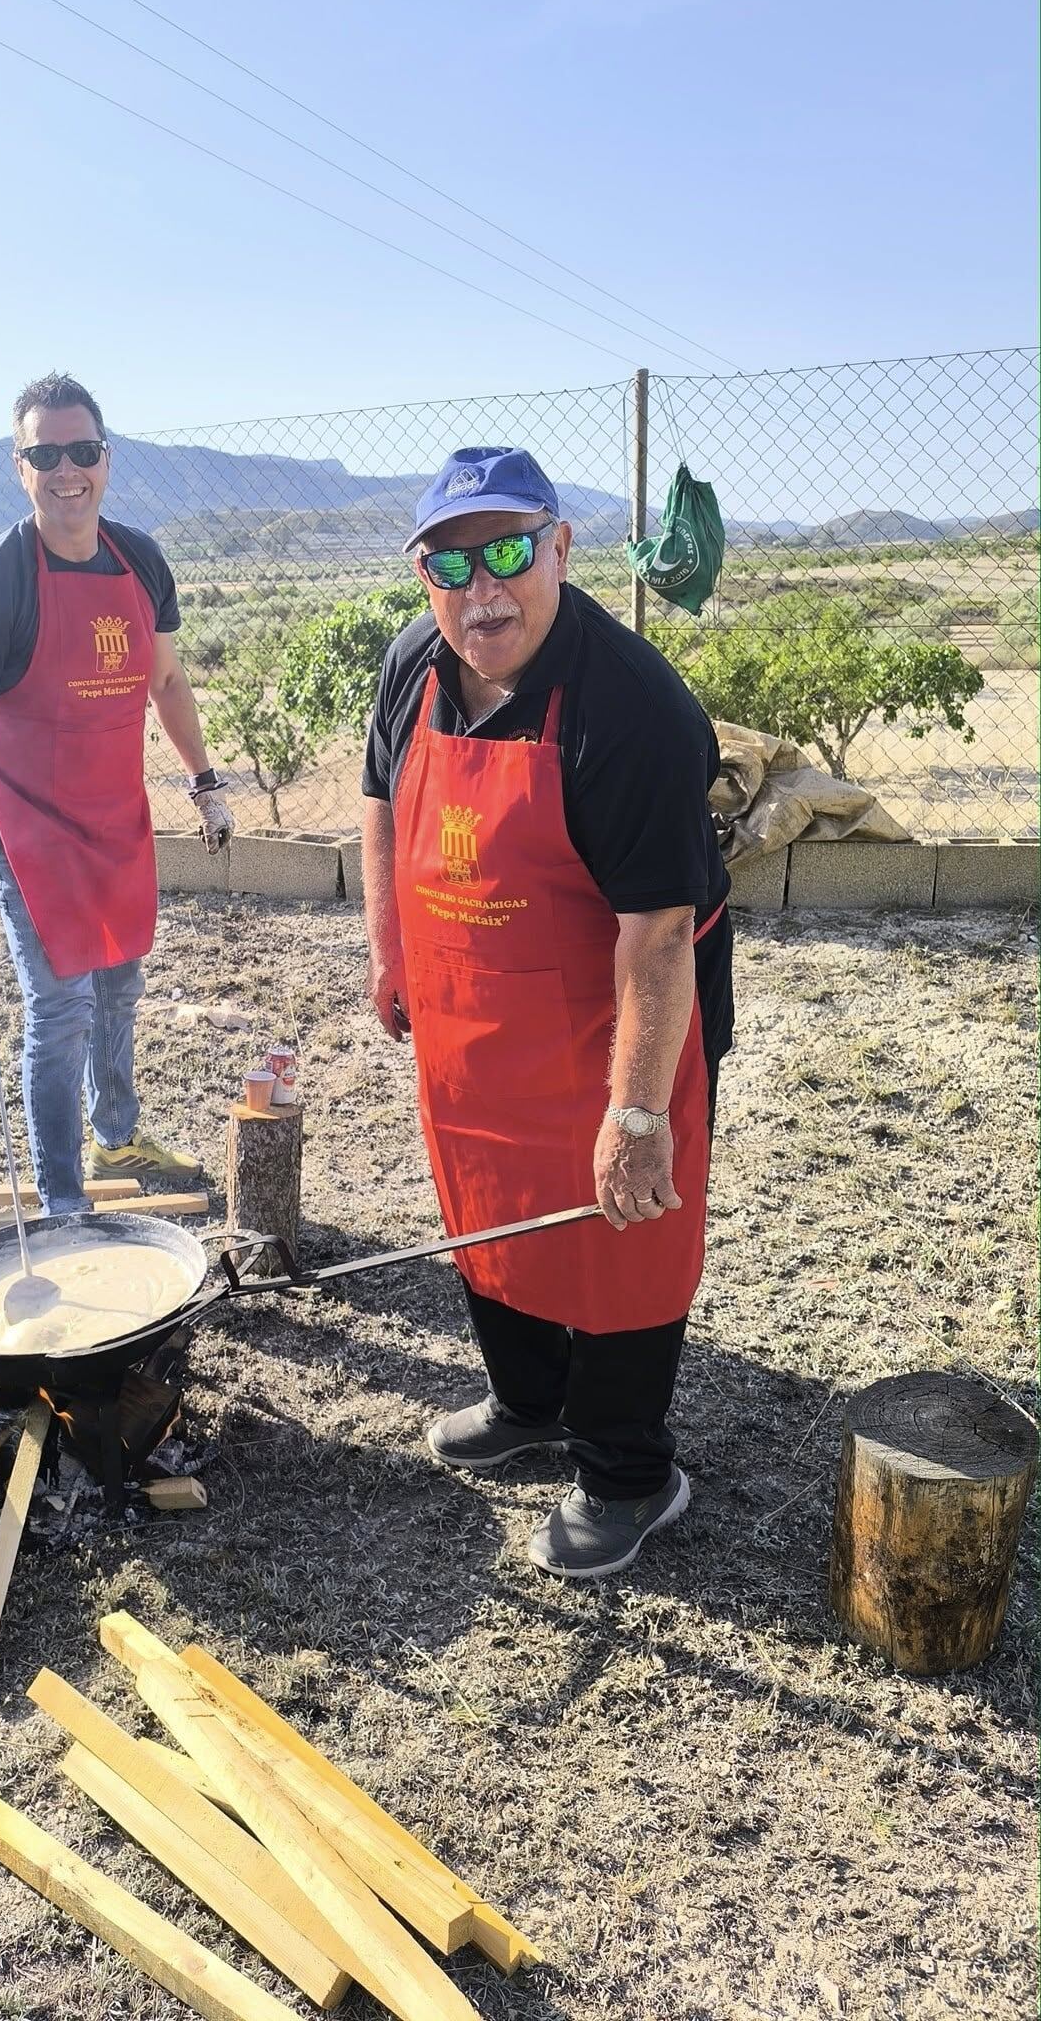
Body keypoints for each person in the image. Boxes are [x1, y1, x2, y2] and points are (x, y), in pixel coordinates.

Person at [362, 446, 734, 1580]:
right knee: (485, 1198)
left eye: (511, 551)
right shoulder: (415, 663)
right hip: (471, 1010)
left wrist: (633, 1110)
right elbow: (380, 798)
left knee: (621, 1226)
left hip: (618, 1011)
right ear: (425, 575)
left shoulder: (631, 708)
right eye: (452, 562)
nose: (484, 588)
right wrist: (390, 954)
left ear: (561, 548)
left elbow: (657, 932)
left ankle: (629, 1471)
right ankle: (528, 1398)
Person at [0, 371, 234, 1214]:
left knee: (120, 986)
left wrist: (203, 783)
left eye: (84, 451)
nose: (70, 470)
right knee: (58, 1011)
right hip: (25, 835)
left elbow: (167, 682)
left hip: (114, 821)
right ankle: (63, 1201)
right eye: (47, 453)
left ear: (107, 457)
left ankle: (117, 1137)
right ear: (19, 465)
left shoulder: (140, 559)